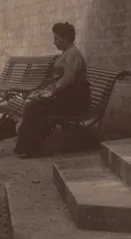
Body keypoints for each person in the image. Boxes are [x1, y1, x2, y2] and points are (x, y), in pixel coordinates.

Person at [14, 22, 91, 157]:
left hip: (74, 100)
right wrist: (45, 92)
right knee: (33, 105)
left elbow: (68, 80)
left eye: (56, 38)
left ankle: (32, 149)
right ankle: (25, 146)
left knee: (34, 107)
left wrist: (48, 94)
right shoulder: (66, 53)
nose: (54, 42)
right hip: (66, 97)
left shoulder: (73, 54)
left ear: (66, 38)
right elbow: (61, 81)